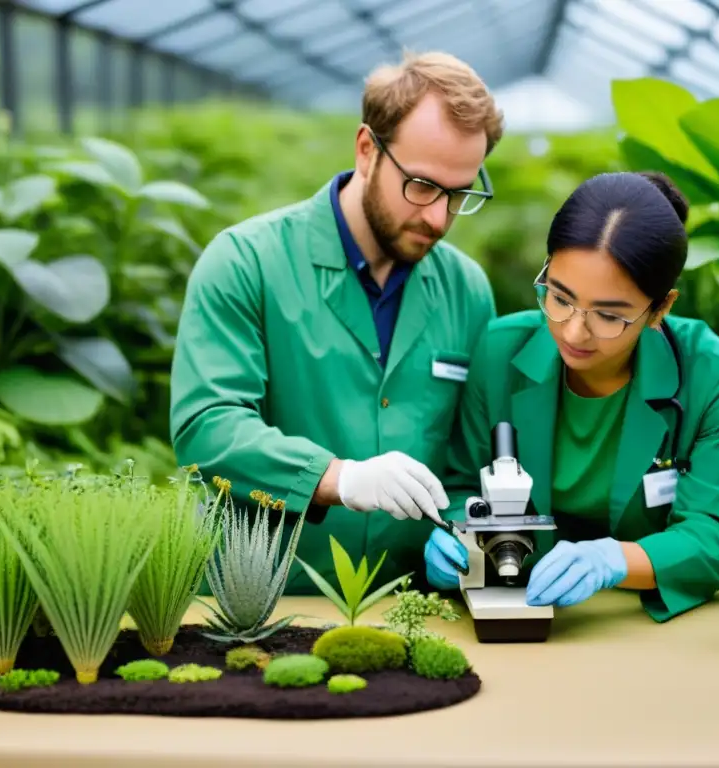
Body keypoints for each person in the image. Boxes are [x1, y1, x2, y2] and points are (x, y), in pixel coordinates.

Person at [169, 51, 504, 593]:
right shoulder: (246, 262)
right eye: (421, 186)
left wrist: (467, 526)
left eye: (460, 193)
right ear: (368, 149)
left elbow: (472, 459)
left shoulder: (467, 290)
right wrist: (337, 478)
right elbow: (207, 430)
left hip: (413, 605)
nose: (439, 217)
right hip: (262, 603)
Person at [423, 171, 719, 622]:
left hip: (639, 618)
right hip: (515, 604)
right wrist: (460, 538)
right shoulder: (500, 351)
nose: (574, 330)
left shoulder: (710, 372)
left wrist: (615, 561)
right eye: (559, 297)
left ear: (661, 308)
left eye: (608, 315)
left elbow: (715, 534)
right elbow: (464, 484)